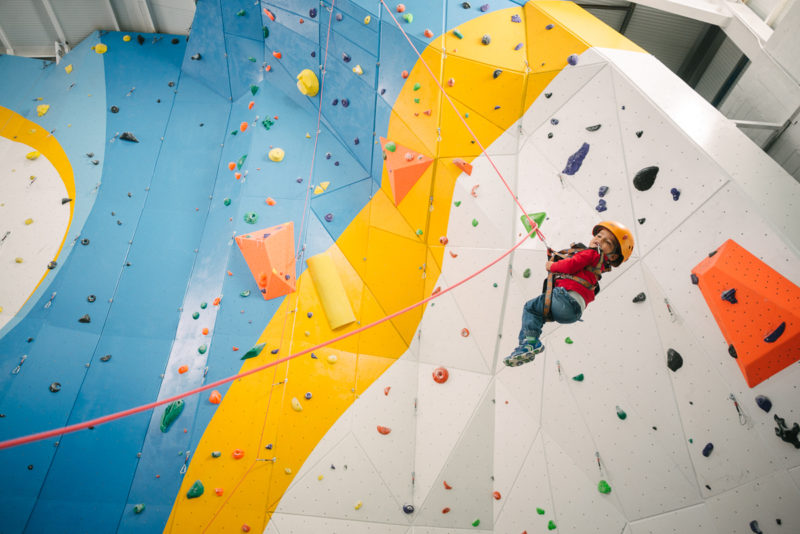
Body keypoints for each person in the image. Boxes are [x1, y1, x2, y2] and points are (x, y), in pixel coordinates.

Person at [504, 221, 634, 367]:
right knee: (538, 313)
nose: (599, 241)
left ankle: (529, 343)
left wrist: (552, 265)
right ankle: (529, 344)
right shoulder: (597, 271)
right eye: (599, 236)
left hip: (564, 299)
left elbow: (571, 265)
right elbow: (574, 267)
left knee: (530, 308)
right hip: (573, 314)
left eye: (607, 242)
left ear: (614, 256)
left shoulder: (592, 253)